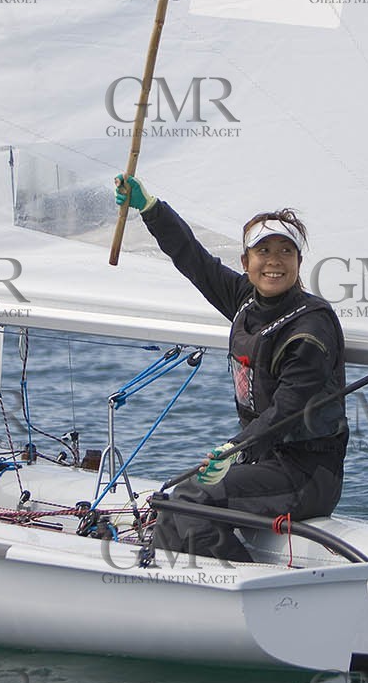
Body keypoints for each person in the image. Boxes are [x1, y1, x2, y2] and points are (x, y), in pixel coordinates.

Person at [114, 174, 348, 562]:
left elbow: (286, 411)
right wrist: (149, 207)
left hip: (309, 475)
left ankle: (247, 589)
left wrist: (232, 449)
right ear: (247, 261)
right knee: (173, 506)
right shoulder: (245, 300)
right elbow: (193, 258)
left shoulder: (312, 327)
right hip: (264, 462)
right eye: (264, 251)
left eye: (285, 252)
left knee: (192, 503)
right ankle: (161, 587)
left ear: (299, 262)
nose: (274, 261)